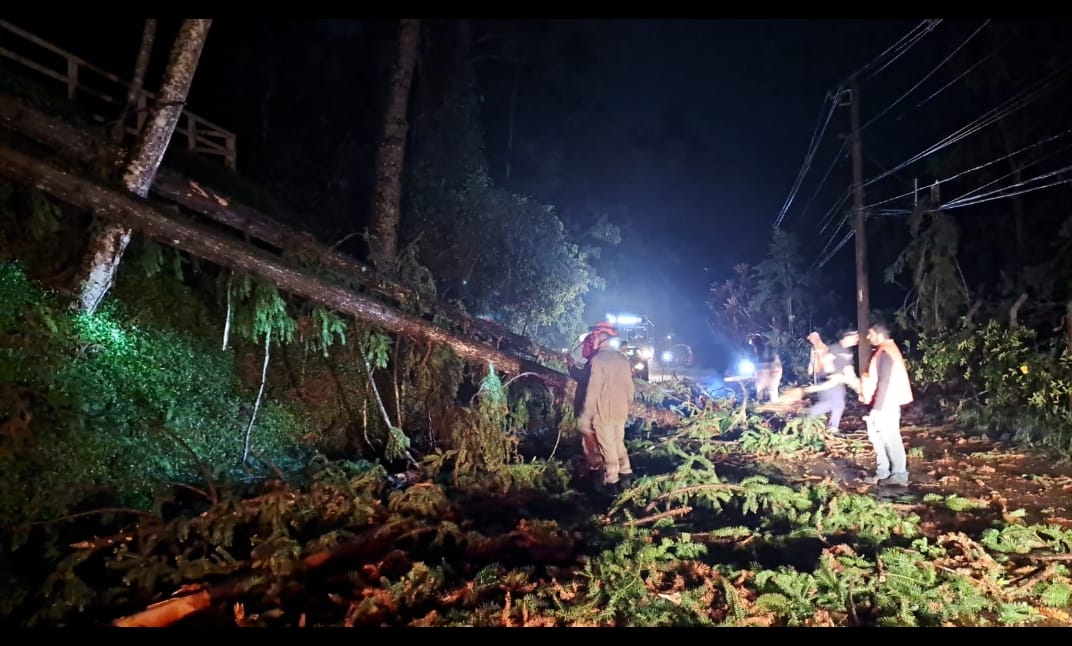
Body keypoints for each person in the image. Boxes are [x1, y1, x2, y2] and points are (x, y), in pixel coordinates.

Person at [575, 321, 636, 494]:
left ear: (601, 337)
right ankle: (626, 476)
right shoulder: (623, 359)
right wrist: (625, 407)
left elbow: (593, 391)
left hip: (603, 413)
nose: (592, 340)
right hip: (620, 412)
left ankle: (612, 487)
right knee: (618, 444)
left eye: (594, 336)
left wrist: (586, 416)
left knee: (608, 448)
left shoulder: (597, 360)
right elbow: (630, 390)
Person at [859, 323, 914, 486]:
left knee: (890, 438)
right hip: (886, 403)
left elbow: (885, 381)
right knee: (879, 438)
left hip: (886, 404)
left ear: (880, 335)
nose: (868, 337)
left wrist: (877, 408)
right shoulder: (887, 350)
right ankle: (884, 472)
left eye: (871, 334)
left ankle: (899, 474)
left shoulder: (886, 352)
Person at [804, 329, 857, 433]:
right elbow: (825, 361)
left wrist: (854, 382)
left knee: (838, 404)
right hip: (828, 379)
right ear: (847, 337)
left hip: (836, 381)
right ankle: (808, 416)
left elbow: (848, 368)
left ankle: (832, 427)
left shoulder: (846, 352)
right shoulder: (836, 348)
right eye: (855, 337)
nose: (857, 339)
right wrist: (833, 373)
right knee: (831, 404)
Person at [748, 333, 782, 402]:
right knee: (771, 389)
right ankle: (770, 403)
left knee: (764, 387)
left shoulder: (762, 349)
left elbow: (764, 363)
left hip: (772, 368)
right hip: (774, 368)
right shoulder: (763, 348)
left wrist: (757, 373)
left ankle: (763, 403)